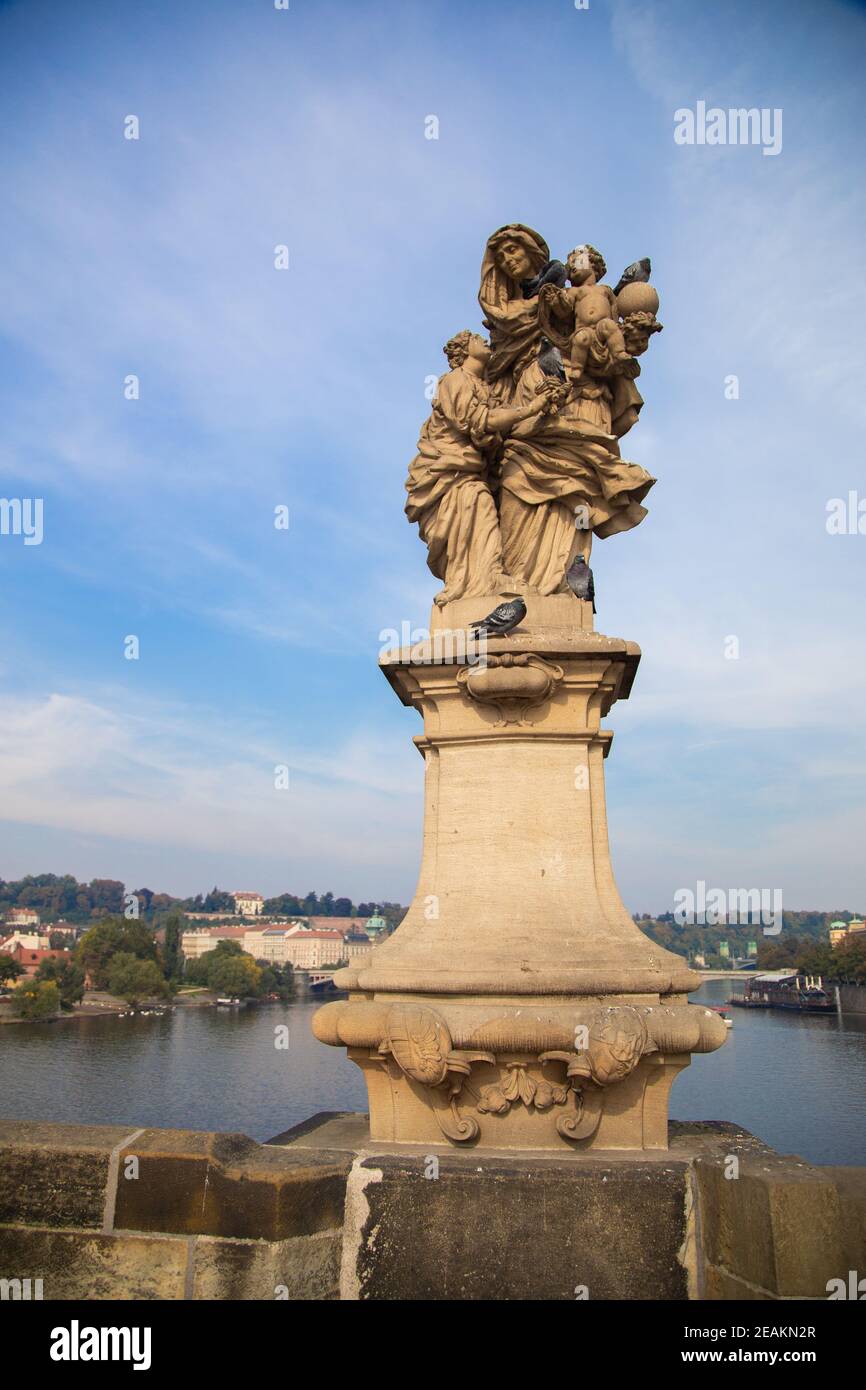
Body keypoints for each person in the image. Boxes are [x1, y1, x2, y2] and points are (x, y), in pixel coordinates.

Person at [405, 330, 561, 605]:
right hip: (448, 473)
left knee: (482, 515)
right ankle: (467, 582)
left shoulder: (485, 387)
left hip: (468, 472)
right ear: (464, 351)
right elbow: (477, 420)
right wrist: (531, 409)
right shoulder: (454, 381)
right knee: (476, 514)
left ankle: (484, 578)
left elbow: (499, 423)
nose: (485, 342)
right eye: (477, 340)